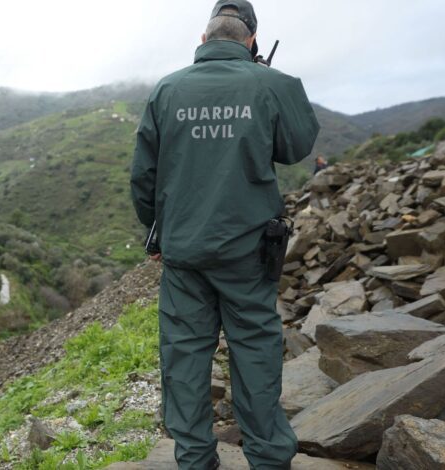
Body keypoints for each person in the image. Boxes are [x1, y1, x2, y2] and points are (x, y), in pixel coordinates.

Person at [129, 1, 319, 469]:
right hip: (249, 250)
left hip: (184, 252)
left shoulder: (166, 89)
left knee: (184, 353)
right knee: (254, 347)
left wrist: (157, 235)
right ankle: (269, 457)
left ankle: (194, 458)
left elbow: (143, 177)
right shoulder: (274, 84)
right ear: (251, 41)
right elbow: (296, 148)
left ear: (203, 40)